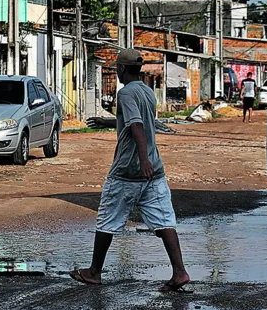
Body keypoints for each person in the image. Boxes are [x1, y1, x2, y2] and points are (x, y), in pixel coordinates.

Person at [75, 48, 190, 292]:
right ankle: (179, 272)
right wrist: (109, 122)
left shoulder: (125, 93)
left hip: (129, 170)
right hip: (155, 171)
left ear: (121, 69)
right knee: (164, 220)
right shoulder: (147, 92)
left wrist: (142, 159)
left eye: (117, 67)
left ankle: (94, 272)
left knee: (108, 218)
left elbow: (137, 125)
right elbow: (141, 121)